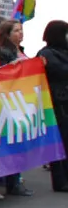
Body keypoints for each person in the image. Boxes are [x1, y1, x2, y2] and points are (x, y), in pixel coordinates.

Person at [0, 20, 35, 197]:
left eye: (21, 30)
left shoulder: (20, 50)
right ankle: (13, 181)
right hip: (11, 99)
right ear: (7, 34)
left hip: (23, 98)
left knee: (20, 141)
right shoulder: (5, 52)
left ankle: (16, 178)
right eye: (16, 30)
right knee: (14, 142)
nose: (21, 33)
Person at [36, 21, 68, 192]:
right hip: (57, 101)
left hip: (63, 99)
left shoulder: (63, 51)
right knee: (60, 141)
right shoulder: (47, 53)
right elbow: (60, 70)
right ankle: (61, 180)